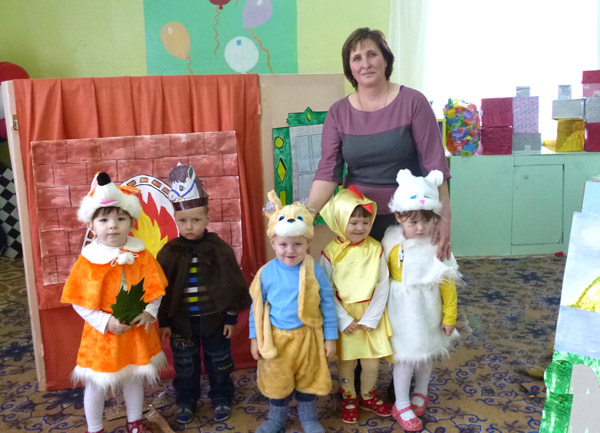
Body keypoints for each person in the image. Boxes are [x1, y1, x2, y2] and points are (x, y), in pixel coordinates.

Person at [307, 27, 452, 260]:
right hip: (357, 220)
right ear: (350, 69)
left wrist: (444, 219)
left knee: (409, 281)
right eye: (357, 58)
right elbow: (327, 172)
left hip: (410, 218)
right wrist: (305, 219)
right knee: (359, 282)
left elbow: (435, 166)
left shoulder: (413, 102)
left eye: (372, 54)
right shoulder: (338, 113)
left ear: (386, 60)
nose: (365, 63)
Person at [61, 172, 168, 433]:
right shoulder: (89, 260)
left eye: (121, 219)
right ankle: (95, 427)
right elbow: (79, 300)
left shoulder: (141, 254)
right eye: (104, 220)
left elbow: (155, 289)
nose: (113, 226)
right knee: (97, 383)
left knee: (134, 376)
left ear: (131, 222)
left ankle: (135, 421)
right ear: (91, 225)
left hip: (135, 331)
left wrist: (150, 312)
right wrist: (105, 321)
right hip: (102, 335)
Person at [157, 163, 251, 425]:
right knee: (185, 364)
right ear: (175, 219)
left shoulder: (219, 249)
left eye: (196, 220)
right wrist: (164, 322)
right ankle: (186, 399)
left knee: (219, 361)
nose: (189, 226)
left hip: (215, 321)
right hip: (181, 323)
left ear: (208, 218)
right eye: (183, 221)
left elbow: (231, 284)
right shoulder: (169, 252)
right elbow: (162, 291)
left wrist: (230, 317)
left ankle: (221, 396)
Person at [249, 191, 337, 433]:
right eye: (283, 244)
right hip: (276, 339)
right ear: (273, 243)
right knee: (277, 381)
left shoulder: (315, 271)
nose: (290, 250)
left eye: (298, 244)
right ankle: (276, 419)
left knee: (308, 379)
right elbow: (257, 308)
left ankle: (309, 419)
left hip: (308, 337)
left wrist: (330, 338)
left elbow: (327, 305)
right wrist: (255, 338)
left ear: (308, 243)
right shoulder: (266, 273)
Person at [382, 169, 461, 431]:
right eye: (413, 222)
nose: (420, 228)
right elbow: (380, 278)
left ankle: (421, 392)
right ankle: (401, 403)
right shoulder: (391, 242)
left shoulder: (438, 244)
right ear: (398, 216)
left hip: (429, 309)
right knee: (405, 358)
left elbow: (448, 282)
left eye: (427, 221)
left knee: (427, 354)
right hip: (401, 312)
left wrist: (450, 317)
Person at [319, 186, 394, 424]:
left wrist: (372, 317)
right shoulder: (331, 251)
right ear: (340, 221)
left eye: (365, 222)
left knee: (371, 361)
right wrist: (342, 319)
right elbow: (326, 289)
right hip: (345, 315)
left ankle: (368, 395)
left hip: (371, 315)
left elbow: (383, 283)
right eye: (353, 222)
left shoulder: (376, 248)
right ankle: (348, 396)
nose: (360, 228)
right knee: (347, 361)